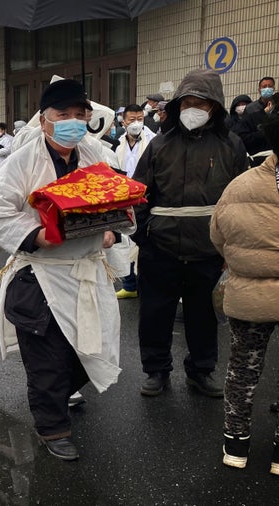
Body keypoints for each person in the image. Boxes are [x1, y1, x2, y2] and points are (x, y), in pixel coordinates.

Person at [0, 78, 131, 461]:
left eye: (79, 115)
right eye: (62, 115)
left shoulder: (97, 152)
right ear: (44, 120)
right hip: (42, 275)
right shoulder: (22, 160)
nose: (72, 122)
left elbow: (121, 197)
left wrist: (113, 227)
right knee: (46, 359)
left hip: (86, 269)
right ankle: (53, 427)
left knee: (92, 347)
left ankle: (57, 393)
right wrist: (36, 235)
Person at [131, 69, 247, 398]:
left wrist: (230, 250)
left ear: (215, 108)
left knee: (204, 317)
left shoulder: (231, 146)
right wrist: (145, 236)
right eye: (187, 102)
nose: (193, 109)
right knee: (154, 313)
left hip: (208, 251)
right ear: (178, 105)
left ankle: (202, 370)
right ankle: (156, 369)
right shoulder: (159, 146)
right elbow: (138, 195)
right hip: (160, 248)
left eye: (201, 103)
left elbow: (240, 200)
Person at [209, 116, 279, 474]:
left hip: (249, 292)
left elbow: (218, 236)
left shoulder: (241, 185)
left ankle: (236, 445)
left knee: (243, 370)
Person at [114, 104, 156, 299]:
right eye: (132, 119)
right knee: (124, 241)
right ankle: (129, 285)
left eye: (140, 118)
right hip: (123, 197)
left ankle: (146, 286)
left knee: (144, 243)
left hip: (145, 198)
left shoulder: (154, 141)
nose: (136, 123)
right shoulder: (118, 142)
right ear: (123, 120)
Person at [232, 77, 277, 164]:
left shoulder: (277, 107)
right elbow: (244, 133)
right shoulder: (250, 108)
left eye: (270, 86)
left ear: (274, 88)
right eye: (264, 86)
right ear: (259, 90)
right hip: (257, 155)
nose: (267, 88)